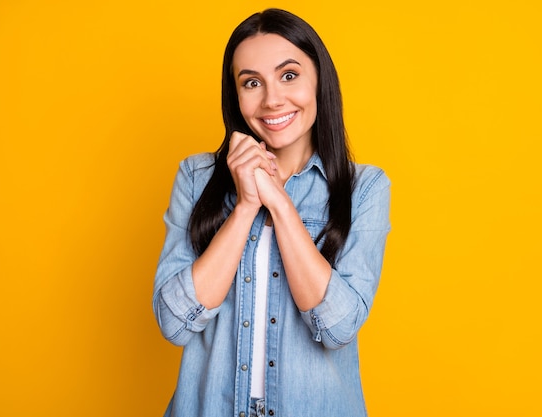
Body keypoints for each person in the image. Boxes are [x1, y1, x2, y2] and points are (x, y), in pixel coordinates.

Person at [153, 8, 391, 417]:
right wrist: (246, 205)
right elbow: (174, 323)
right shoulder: (196, 178)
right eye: (251, 83)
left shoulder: (364, 187)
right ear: (236, 95)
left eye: (289, 75)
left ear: (319, 80)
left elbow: (337, 328)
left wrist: (279, 202)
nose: (272, 99)